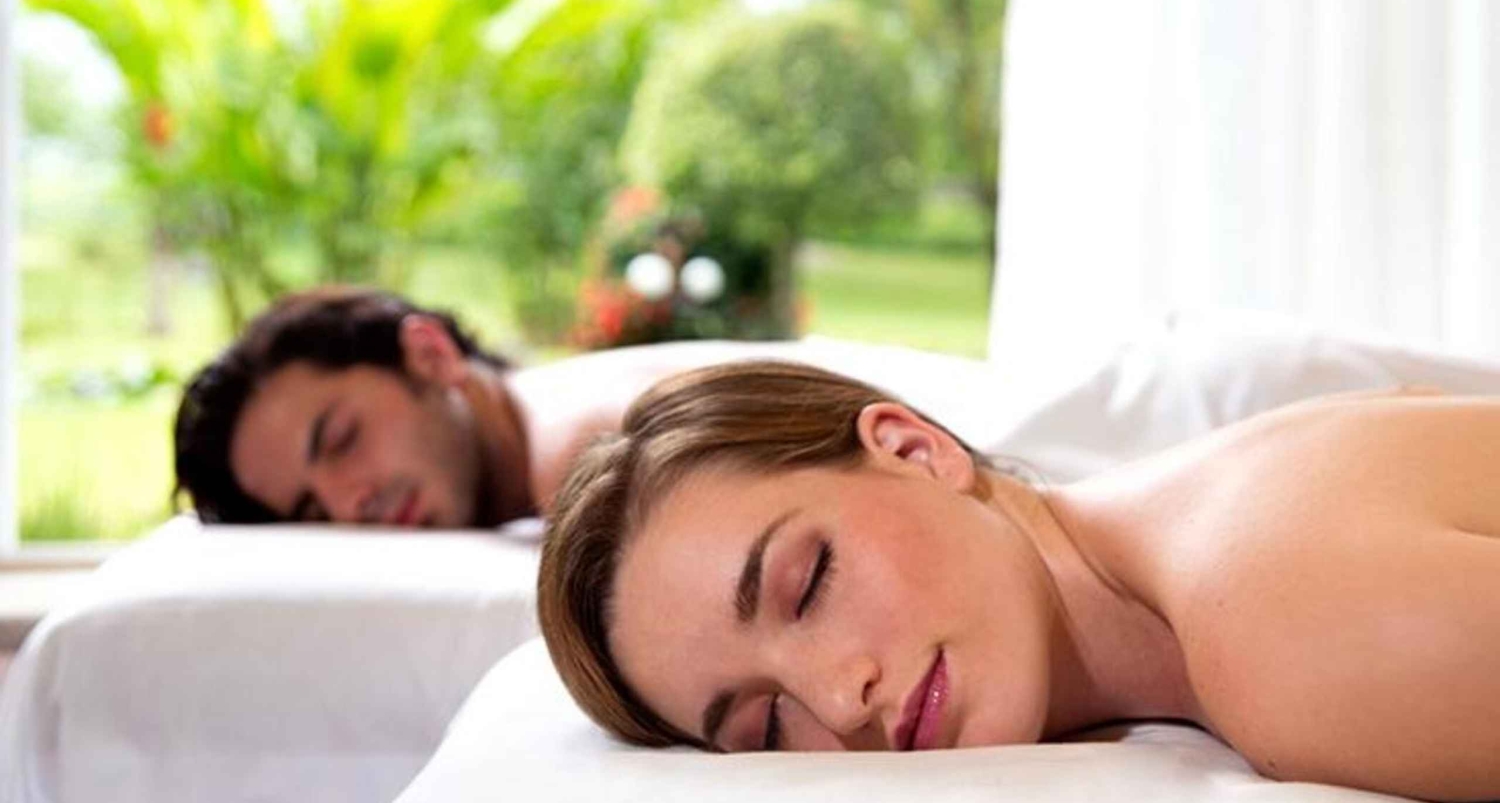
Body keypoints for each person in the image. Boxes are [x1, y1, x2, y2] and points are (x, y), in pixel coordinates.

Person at [537, 360, 1500, 802]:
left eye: (809, 581)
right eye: (766, 725)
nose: (838, 697)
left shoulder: (1280, 631)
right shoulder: (1222, 501)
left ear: (914, 448)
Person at [172, 286, 817, 528]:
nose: (349, 503)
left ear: (429, 354)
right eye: (313, 511)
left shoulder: (592, 459)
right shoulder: (546, 398)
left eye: (341, 439)